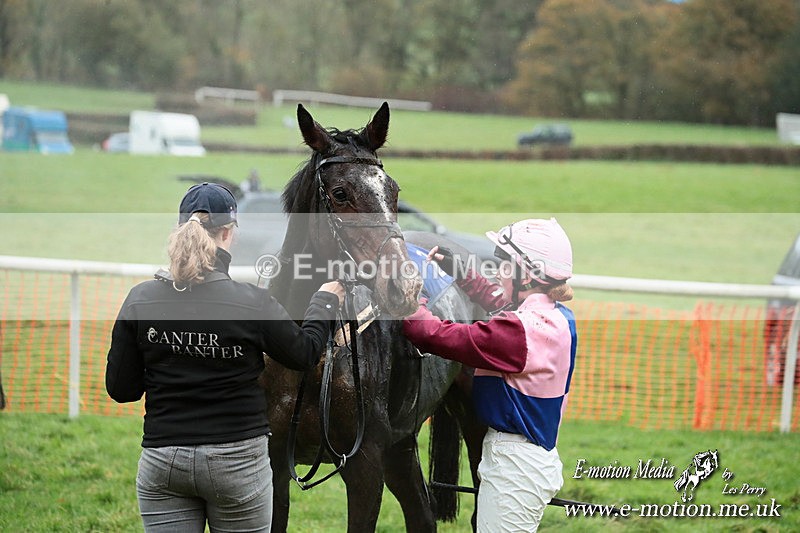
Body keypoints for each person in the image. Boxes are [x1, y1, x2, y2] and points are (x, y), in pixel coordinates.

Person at [106, 182, 344, 532]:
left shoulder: (140, 299)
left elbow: (121, 389)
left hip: (163, 460)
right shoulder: (252, 303)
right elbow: (305, 353)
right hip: (237, 464)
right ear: (228, 234)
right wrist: (323, 302)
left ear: (180, 231)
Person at [403, 218, 578, 532]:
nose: (499, 272)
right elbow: (500, 305)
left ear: (529, 275)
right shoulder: (557, 317)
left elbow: (431, 334)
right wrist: (464, 274)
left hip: (514, 465)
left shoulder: (516, 333)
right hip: (527, 459)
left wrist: (413, 298)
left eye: (506, 266)